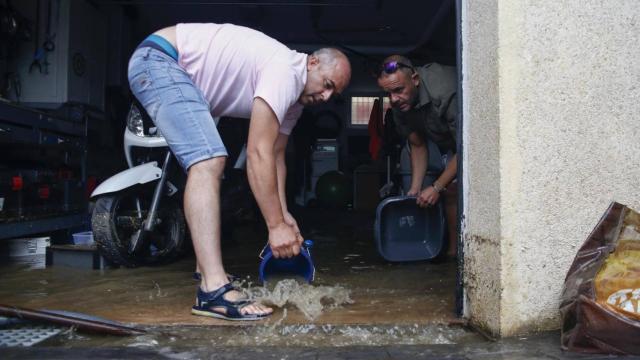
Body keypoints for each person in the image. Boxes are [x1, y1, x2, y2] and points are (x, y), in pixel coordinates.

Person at [127, 23, 351, 320]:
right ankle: (212, 292)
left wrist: (283, 216)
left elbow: (274, 154)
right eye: (327, 84)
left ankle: (205, 269)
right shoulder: (285, 71)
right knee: (209, 160)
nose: (325, 97)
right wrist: (274, 227)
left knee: (210, 162)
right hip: (159, 59)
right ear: (312, 63)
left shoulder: (294, 100)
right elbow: (257, 152)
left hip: (173, 69)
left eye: (332, 94)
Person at [376, 55, 458, 258]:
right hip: (449, 142)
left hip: (479, 139)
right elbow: (418, 144)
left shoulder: (445, 89)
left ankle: (456, 254)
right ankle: (453, 251)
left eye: (398, 90)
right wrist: (414, 189)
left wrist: (437, 186)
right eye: (388, 93)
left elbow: (467, 147)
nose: (393, 99)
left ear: (415, 79)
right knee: (448, 192)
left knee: (452, 190)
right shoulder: (399, 105)